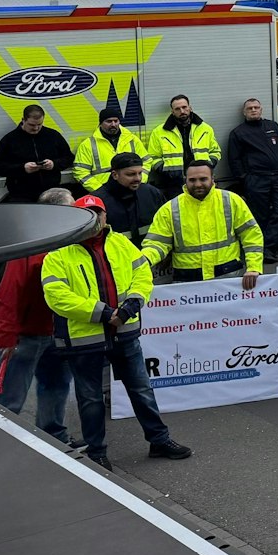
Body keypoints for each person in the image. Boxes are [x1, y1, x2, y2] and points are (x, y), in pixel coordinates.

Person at [41, 195, 192, 471]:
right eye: (88, 214)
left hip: (124, 331)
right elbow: (56, 296)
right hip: (84, 339)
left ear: (105, 216)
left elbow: (142, 275)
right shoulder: (58, 253)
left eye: (98, 213)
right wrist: (102, 312)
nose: (95, 219)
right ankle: (97, 452)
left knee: (141, 390)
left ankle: (159, 440)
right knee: (90, 398)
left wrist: (131, 304)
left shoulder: (121, 243)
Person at [0, 188, 77, 447]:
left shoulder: (59, 241)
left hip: (55, 331)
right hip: (27, 335)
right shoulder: (31, 243)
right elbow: (8, 292)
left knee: (56, 386)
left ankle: (54, 439)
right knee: (11, 398)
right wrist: (5, 336)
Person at [141, 161, 262, 288]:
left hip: (228, 278)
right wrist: (145, 260)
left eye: (203, 179)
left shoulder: (231, 201)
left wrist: (254, 267)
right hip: (187, 283)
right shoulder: (170, 209)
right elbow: (156, 243)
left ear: (213, 179)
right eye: (192, 180)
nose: (198, 184)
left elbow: (251, 235)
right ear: (185, 180)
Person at [225, 96, 278, 255]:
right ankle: (262, 250)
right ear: (244, 112)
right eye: (250, 108)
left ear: (261, 109)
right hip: (256, 178)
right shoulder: (238, 133)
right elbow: (234, 159)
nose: (253, 110)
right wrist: (244, 177)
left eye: (256, 107)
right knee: (260, 215)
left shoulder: (272, 126)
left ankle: (268, 246)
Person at [0, 104, 71, 202]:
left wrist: (54, 164)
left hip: (51, 193)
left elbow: (69, 158)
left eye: (40, 124)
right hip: (21, 195)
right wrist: (23, 168)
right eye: (32, 125)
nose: (36, 128)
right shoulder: (10, 140)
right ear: (23, 120)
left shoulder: (53, 136)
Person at [147, 95, 219, 198]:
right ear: (172, 111)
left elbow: (215, 151)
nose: (182, 111)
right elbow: (153, 157)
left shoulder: (205, 128)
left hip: (202, 180)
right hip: (174, 183)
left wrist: (208, 165)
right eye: (177, 109)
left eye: (184, 107)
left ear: (190, 108)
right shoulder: (159, 132)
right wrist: (166, 171)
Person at [72, 106, 144, 193]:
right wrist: (99, 190)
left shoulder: (132, 139)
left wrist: (139, 182)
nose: (113, 124)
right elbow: (80, 171)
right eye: (109, 121)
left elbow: (146, 161)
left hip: (132, 189)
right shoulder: (88, 144)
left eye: (116, 121)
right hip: (105, 191)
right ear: (101, 123)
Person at [98, 152, 165, 244]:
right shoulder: (99, 201)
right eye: (131, 174)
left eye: (140, 173)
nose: (138, 178)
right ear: (115, 175)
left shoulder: (152, 193)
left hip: (150, 255)